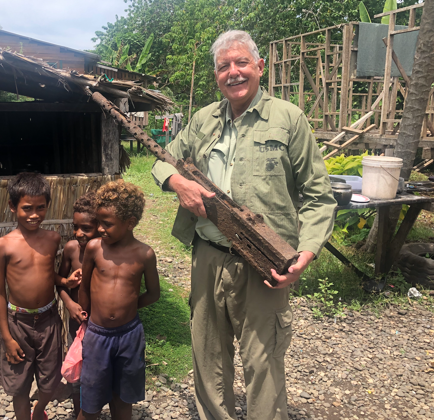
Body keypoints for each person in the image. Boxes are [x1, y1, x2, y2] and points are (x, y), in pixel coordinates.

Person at [151, 30, 337, 420]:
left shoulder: (288, 118)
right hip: (207, 255)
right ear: (216, 75)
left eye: (241, 63)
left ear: (259, 67)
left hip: (265, 261)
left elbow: (318, 195)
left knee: (263, 358)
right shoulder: (203, 119)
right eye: (224, 66)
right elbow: (163, 160)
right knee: (207, 352)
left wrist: (306, 254)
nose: (233, 72)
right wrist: (177, 182)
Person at [0, 172, 81, 420]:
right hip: (17, 322)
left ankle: (39, 410)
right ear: (12, 206)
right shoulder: (2, 246)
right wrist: (7, 337)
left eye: (40, 207)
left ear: (48, 206)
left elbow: (47, 274)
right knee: (19, 384)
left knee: (50, 381)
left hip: (48, 320)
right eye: (27, 208)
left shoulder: (52, 239)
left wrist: (65, 281)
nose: (34, 214)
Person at [78, 179, 160, 420]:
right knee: (91, 401)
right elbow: (84, 287)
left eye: (107, 224)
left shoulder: (144, 254)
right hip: (97, 334)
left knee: (123, 399)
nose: (100, 229)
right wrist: (85, 318)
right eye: (98, 222)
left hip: (129, 336)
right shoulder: (94, 248)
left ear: (130, 223)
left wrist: (128, 308)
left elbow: (153, 293)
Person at [57, 190, 99, 416]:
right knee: (76, 371)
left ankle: (95, 411)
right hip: (77, 323)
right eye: (75, 227)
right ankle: (78, 412)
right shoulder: (72, 249)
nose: (78, 233)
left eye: (86, 228)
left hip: (101, 326)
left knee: (99, 371)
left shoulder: (107, 252)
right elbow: (59, 282)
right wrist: (69, 304)